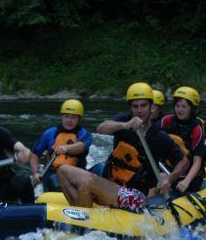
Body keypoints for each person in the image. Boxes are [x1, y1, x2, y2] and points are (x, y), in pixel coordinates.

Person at [57, 82, 187, 213]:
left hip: (136, 196)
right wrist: (125, 125)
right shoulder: (124, 120)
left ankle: (83, 220)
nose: (139, 110)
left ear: (151, 106)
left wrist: (169, 180)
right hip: (111, 183)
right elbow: (101, 128)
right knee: (63, 171)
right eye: (135, 106)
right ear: (130, 107)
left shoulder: (159, 136)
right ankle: (80, 212)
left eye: (143, 105)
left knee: (88, 182)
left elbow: (184, 162)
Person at [29, 99, 93, 192]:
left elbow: (80, 147)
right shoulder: (50, 133)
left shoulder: (85, 134)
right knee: (54, 180)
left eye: (73, 117)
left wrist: (65, 149)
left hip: (77, 174)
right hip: (52, 173)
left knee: (100, 168)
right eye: (66, 116)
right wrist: (35, 173)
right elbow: (34, 154)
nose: (69, 120)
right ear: (62, 117)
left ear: (79, 119)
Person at [159, 86, 206, 193]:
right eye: (177, 106)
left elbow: (197, 161)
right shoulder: (166, 121)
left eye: (184, 106)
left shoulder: (196, 129)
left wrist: (186, 181)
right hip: (168, 168)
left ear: (192, 108)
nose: (179, 110)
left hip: (189, 174)